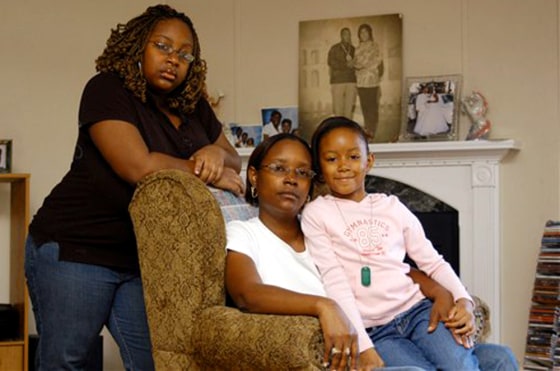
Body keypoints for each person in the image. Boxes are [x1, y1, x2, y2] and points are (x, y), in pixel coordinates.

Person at [24, 5, 244, 370]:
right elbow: (137, 166)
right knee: (68, 362)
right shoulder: (107, 89)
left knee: (154, 363)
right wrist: (206, 169)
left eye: (184, 53)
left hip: (143, 259)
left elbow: (232, 158)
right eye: (163, 46)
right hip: (78, 247)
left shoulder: (193, 107)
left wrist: (212, 153)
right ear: (139, 46)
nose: (173, 59)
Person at [301, 116, 518, 370]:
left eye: (352, 156)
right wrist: (364, 347)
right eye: (331, 159)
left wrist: (464, 301)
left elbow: (432, 261)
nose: (343, 166)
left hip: (418, 313)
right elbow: (334, 282)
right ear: (320, 166)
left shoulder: (393, 207)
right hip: (377, 331)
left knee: (461, 367)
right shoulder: (316, 214)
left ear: (368, 161)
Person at [353, 23, 384, 139]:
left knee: (372, 107)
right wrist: (361, 65)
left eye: (365, 32)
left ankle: (372, 129)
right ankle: (367, 129)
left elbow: (377, 61)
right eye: (361, 32)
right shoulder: (357, 49)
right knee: (364, 107)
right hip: (361, 82)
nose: (363, 34)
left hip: (372, 81)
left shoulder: (375, 46)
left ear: (369, 33)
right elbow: (356, 64)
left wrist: (363, 65)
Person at [327, 27, 357, 119]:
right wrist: (346, 64)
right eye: (345, 34)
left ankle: (347, 129)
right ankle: (338, 130)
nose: (347, 36)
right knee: (338, 109)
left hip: (351, 81)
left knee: (349, 110)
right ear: (341, 35)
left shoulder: (353, 49)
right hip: (338, 81)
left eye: (349, 34)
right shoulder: (334, 48)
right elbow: (330, 62)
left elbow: (357, 64)